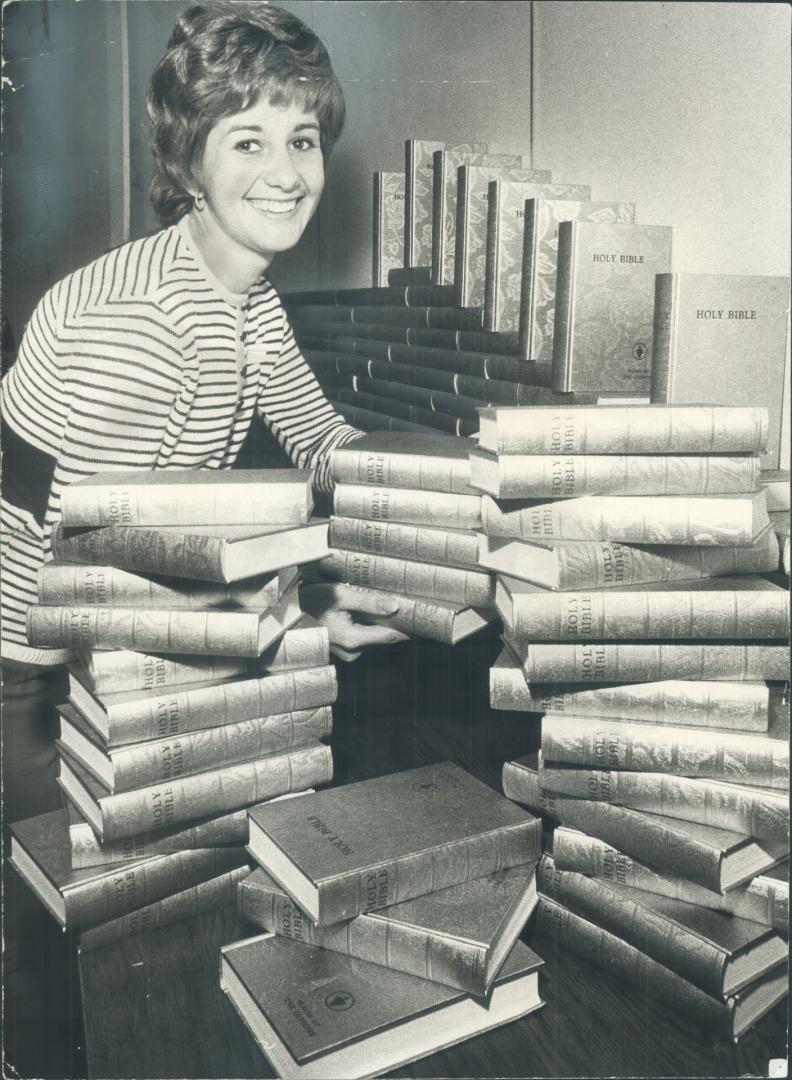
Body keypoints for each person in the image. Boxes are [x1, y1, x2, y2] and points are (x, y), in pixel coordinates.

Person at [0, 0, 408, 825]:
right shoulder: (141, 321)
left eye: (302, 140)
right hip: (31, 673)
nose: (288, 173)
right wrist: (302, 618)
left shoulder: (247, 300)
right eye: (248, 141)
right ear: (188, 165)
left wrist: (455, 494)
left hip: (111, 628)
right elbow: (98, 580)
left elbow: (324, 441)